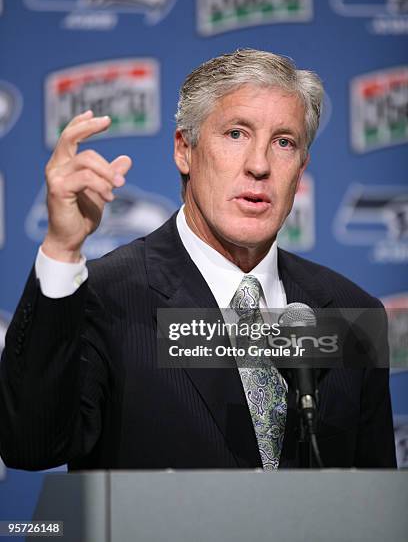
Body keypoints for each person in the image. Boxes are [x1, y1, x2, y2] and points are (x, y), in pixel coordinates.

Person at [0, 49, 396, 470]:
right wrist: (62, 251)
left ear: (300, 170)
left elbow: (373, 505)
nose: (259, 165)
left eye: (283, 142)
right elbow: (30, 445)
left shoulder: (352, 313)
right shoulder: (107, 296)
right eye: (236, 134)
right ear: (184, 150)